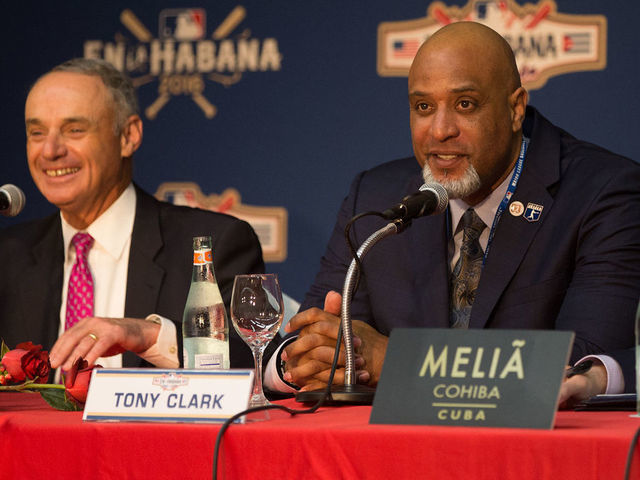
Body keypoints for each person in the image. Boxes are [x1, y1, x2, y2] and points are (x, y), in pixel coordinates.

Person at [269, 22, 640, 405]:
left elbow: (583, 362)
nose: (441, 130)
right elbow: (308, 339)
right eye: (423, 107)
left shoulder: (603, 192)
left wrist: (397, 362)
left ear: (515, 109)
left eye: (465, 104)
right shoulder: (376, 197)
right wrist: (300, 361)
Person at [0, 58, 266, 378]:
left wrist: (151, 337)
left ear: (128, 136)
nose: (50, 150)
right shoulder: (8, 255)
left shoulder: (214, 243)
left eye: (74, 129)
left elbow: (258, 361)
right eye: (37, 132)